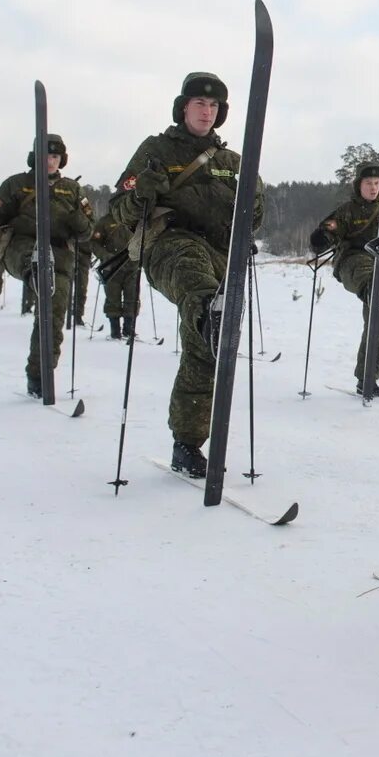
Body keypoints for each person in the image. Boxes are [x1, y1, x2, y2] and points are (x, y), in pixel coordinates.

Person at [109, 72, 265, 477]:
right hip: (170, 244)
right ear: (183, 108)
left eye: (213, 106)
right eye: (199, 103)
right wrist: (141, 192)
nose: (206, 111)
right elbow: (119, 209)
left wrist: (252, 206)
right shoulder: (157, 149)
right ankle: (210, 314)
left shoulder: (232, 162)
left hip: (220, 252)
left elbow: (257, 215)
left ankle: (187, 444)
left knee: (206, 345)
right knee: (201, 291)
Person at [0, 134, 93, 396]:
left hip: (59, 254)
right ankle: (38, 272)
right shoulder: (17, 184)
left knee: (53, 314)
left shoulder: (72, 190)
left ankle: (40, 376)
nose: (50, 162)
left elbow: (87, 231)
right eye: (45, 156)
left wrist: (77, 220)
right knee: (35, 260)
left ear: (61, 160)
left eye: (55, 157)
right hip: (21, 246)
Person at [309, 162, 379, 396]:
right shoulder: (347, 211)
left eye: (377, 183)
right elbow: (326, 231)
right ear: (359, 185)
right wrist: (321, 238)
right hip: (352, 262)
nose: (373, 188)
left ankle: (367, 377)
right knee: (373, 283)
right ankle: (374, 293)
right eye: (368, 183)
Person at [89, 207, 140, 339]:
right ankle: (115, 330)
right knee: (113, 299)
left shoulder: (135, 218)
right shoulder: (104, 222)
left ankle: (129, 330)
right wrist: (105, 256)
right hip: (111, 268)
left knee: (132, 298)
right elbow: (94, 244)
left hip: (132, 266)